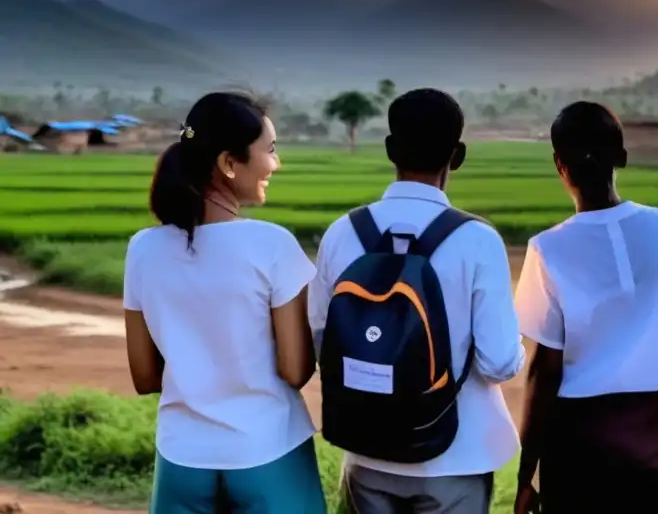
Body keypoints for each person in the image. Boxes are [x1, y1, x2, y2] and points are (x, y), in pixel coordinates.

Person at [308, 87, 524, 514]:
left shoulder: (343, 232)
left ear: (390, 149)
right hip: (453, 456)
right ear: (457, 156)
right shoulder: (477, 241)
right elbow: (499, 363)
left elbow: (321, 340)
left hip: (366, 451)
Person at [514, 101, 658, 514]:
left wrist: (526, 474)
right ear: (622, 158)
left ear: (560, 165)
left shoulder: (548, 248)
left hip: (581, 446)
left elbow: (543, 372)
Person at [123, 91, 325, 513]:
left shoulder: (143, 249)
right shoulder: (272, 245)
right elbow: (294, 370)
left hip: (181, 459)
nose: (276, 164)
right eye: (269, 151)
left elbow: (144, 376)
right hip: (268, 452)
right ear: (229, 164)